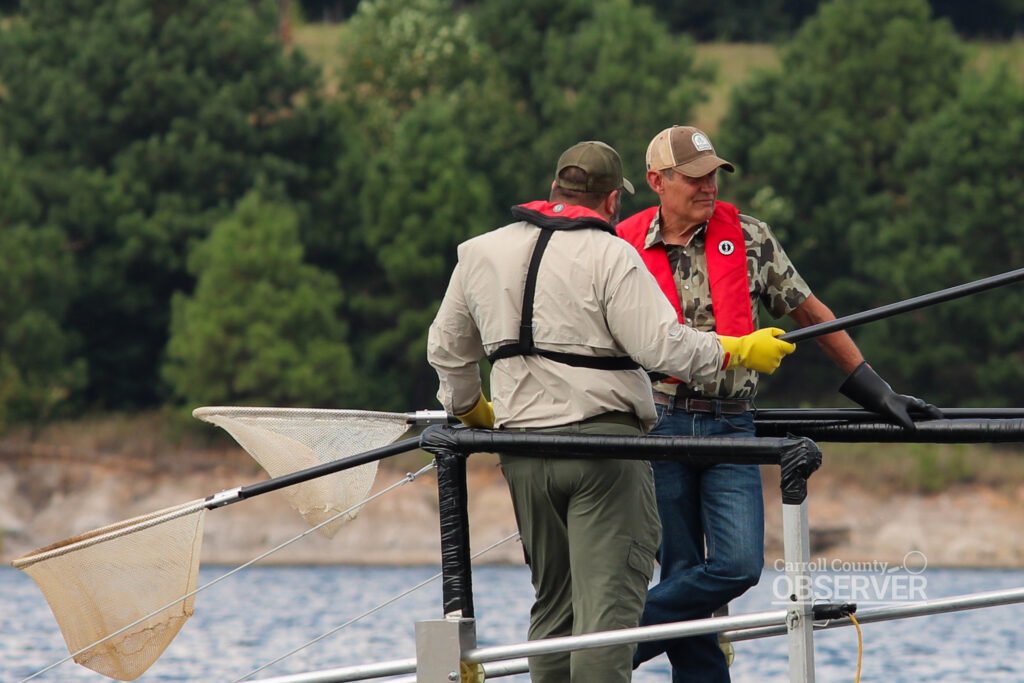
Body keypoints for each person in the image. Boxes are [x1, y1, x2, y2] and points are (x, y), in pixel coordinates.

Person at [427, 140, 797, 683]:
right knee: (607, 618)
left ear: (555, 189)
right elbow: (663, 348)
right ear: (611, 203)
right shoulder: (611, 253)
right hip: (605, 453)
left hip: (522, 452)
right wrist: (736, 349)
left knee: (554, 608)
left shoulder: (479, 252)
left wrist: (471, 409)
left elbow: (446, 349)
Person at [616, 125, 943, 682]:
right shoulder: (618, 246)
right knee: (681, 568)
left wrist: (874, 389)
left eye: (713, 175)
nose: (707, 187)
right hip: (658, 425)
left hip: (731, 427)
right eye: (694, 178)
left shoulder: (749, 236)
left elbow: (812, 314)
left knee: (739, 564)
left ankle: (613, 642)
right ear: (657, 182)